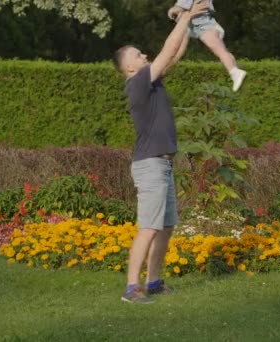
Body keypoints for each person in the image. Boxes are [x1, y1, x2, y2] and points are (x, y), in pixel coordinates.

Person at [112, 0, 210, 304]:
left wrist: (186, 21)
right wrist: (187, 17)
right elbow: (167, 51)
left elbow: (174, 55)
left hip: (162, 164)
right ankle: (132, 288)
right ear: (130, 66)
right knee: (149, 227)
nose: (144, 55)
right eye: (138, 55)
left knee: (165, 226)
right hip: (150, 165)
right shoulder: (138, 82)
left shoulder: (151, 81)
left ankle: (153, 282)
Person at [167, 0, 247, 92]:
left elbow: (179, 8)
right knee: (222, 52)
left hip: (204, 26)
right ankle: (235, 69)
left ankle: (234, 72)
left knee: (220, 51)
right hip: (202, 24)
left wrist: (171, 11)